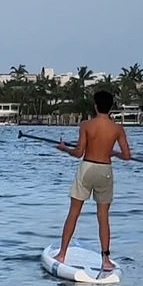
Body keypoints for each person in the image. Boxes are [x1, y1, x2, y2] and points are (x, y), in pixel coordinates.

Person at [54, 91, 131, 270]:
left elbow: (79, 152)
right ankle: (105, 260)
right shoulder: (117, 129)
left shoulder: (86, 125)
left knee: (74, 212)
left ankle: (62, 253)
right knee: (103, 217)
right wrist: (113, 153)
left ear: (95, 105)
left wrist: (64, 148)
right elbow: (127, 156)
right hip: (105, 170)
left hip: (87, 168)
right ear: (110, 107)